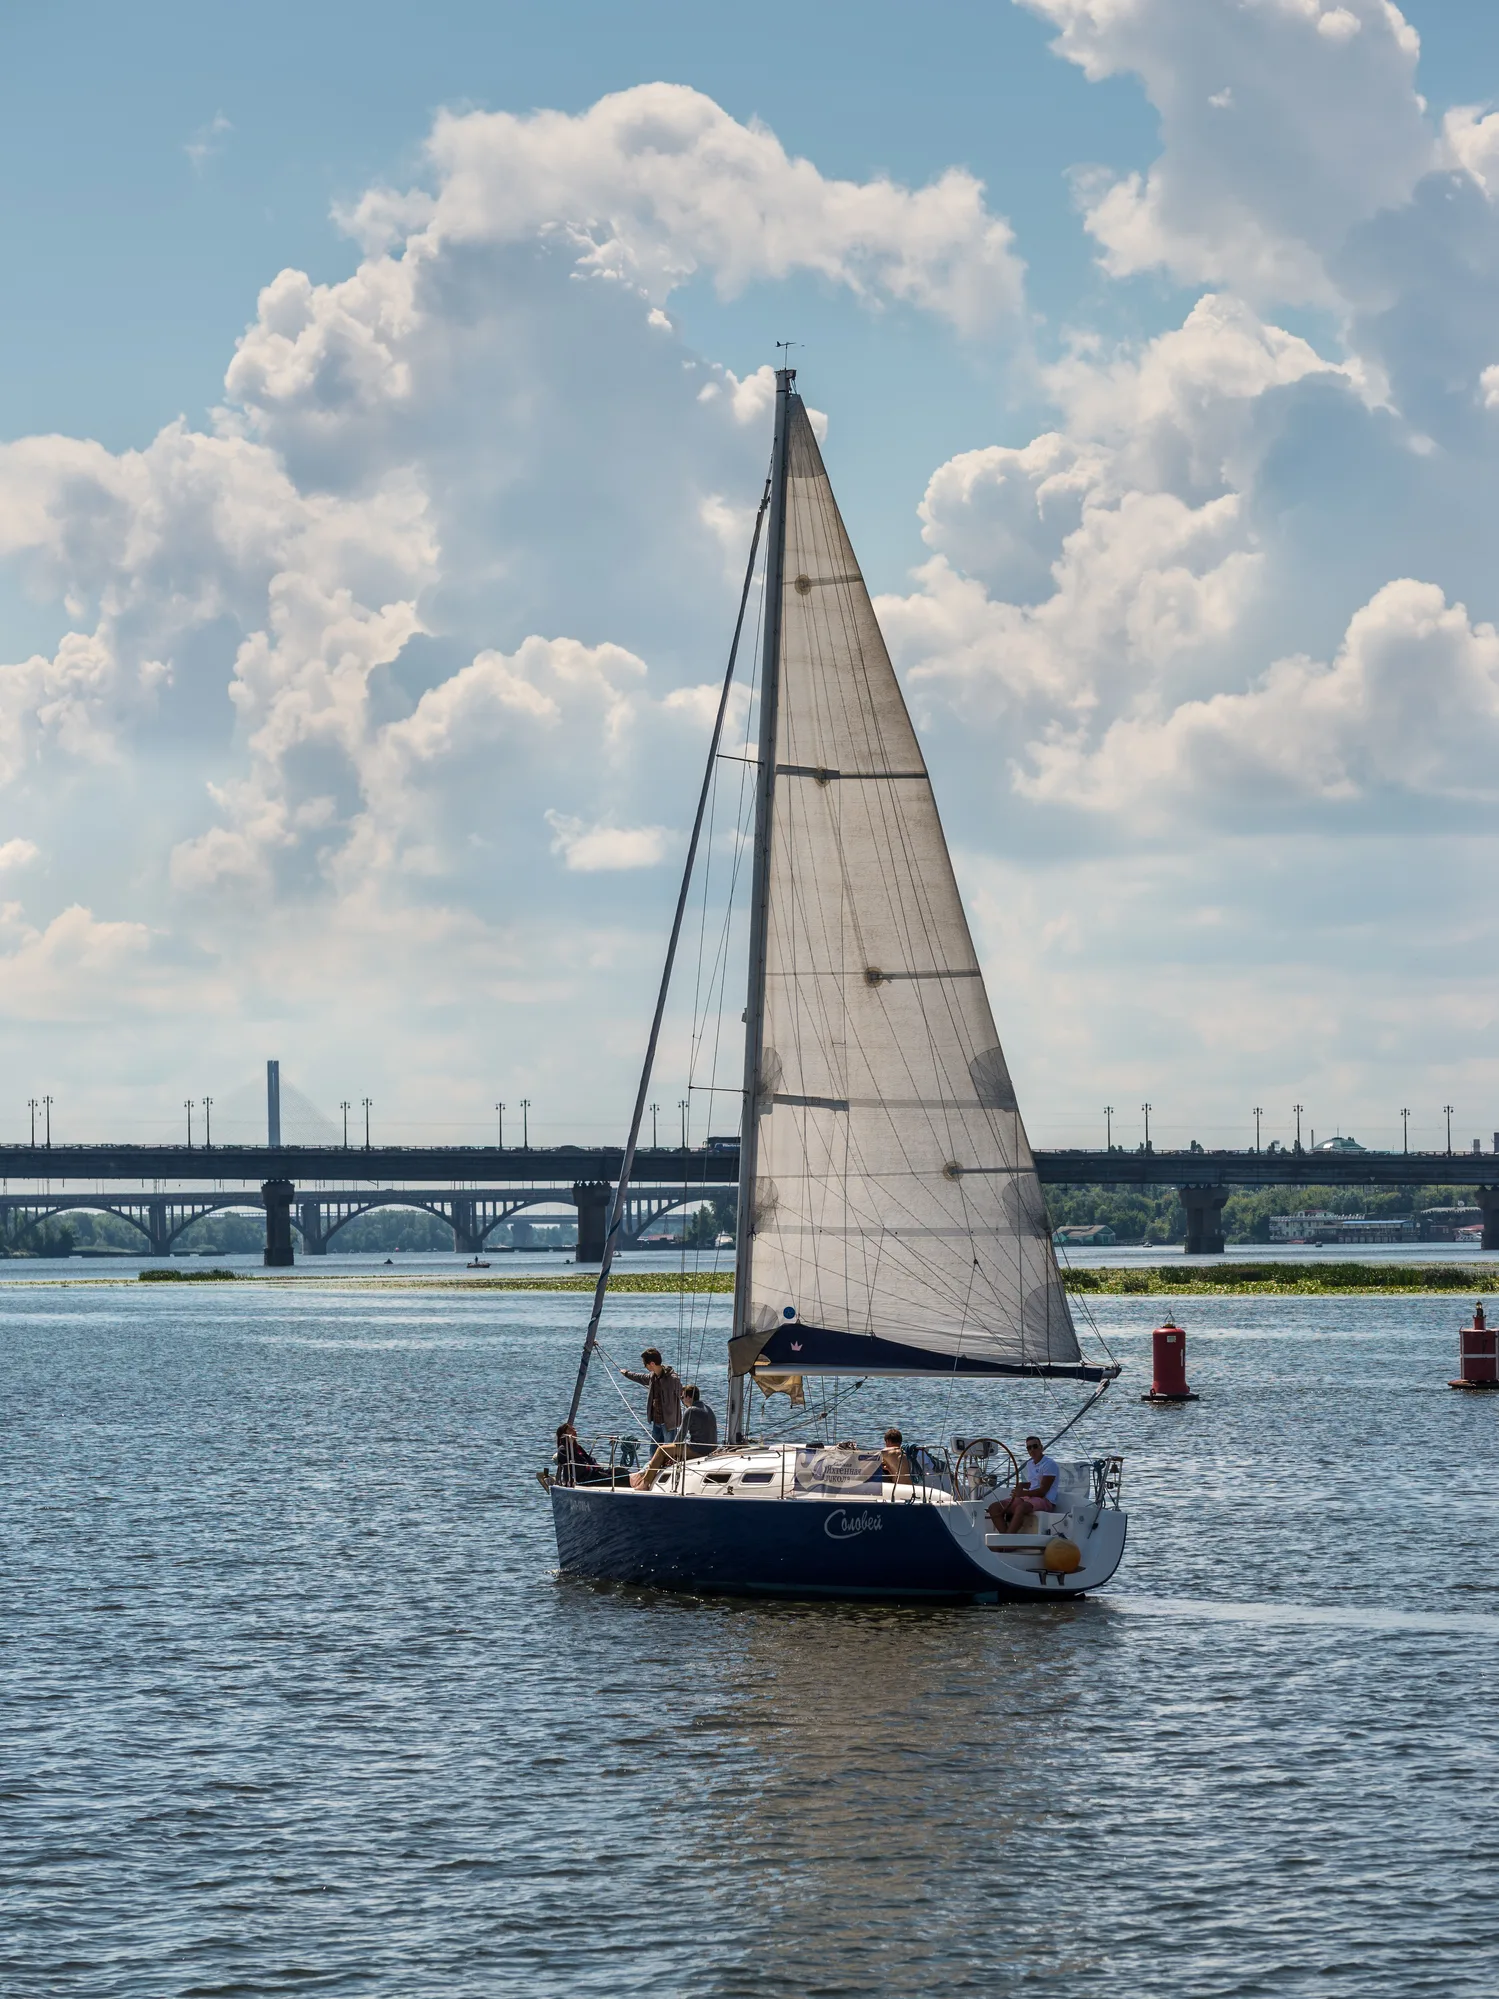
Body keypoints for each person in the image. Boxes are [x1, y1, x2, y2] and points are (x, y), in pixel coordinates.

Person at [631, 1384, 718, 1489]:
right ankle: (644, 1476)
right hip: (712, 1448)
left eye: (682, 1397)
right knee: (670, 1451)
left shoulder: (691, 1410)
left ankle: (645, 1483)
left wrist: (670, 1452)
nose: (682, 1400)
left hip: (699, 1450)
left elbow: (679, 1438)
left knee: (661, 1450)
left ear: (689, 1397)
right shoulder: (708, 1409)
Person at [988, 1435, 1062, 1534]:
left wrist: (1022, 1493)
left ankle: (1007, 1542)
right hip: (1029, 1498)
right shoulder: (1030, 1464)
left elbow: (1043, 1491)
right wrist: (1023, 1485)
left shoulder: (1049, 1464)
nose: (1032, 1450)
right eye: (1029, 1448)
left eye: (1035, 1446)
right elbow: (1034, 1483)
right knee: (994, 1507)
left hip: (1046, 1500)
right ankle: (1005, 1539)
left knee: (1020, 1508)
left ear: (1041, 1447)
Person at [622, 1347, 682, 1446]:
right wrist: (627, 1374)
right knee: (653, 1453)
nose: (645, 1367)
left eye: (645, 1365)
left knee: (669, 1453)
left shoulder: (672, 1379)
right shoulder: (652, 1377)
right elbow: (640, 1377)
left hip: (669, 1424)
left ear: (652, 1364)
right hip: (656, 1422)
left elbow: (682, 1395)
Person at [554, 1421, 612, 1487]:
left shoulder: (577, 1447)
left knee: (619, 1471)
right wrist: (588, 1467)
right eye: (570, 1430)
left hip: (593, 1473)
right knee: (614, 1479)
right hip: (583, 1478)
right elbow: (573, 1464)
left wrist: (596, 1466)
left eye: (574, 1429)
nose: (574, 1431)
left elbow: (588, 1458)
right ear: (564, 1434)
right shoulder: (563, 1449)